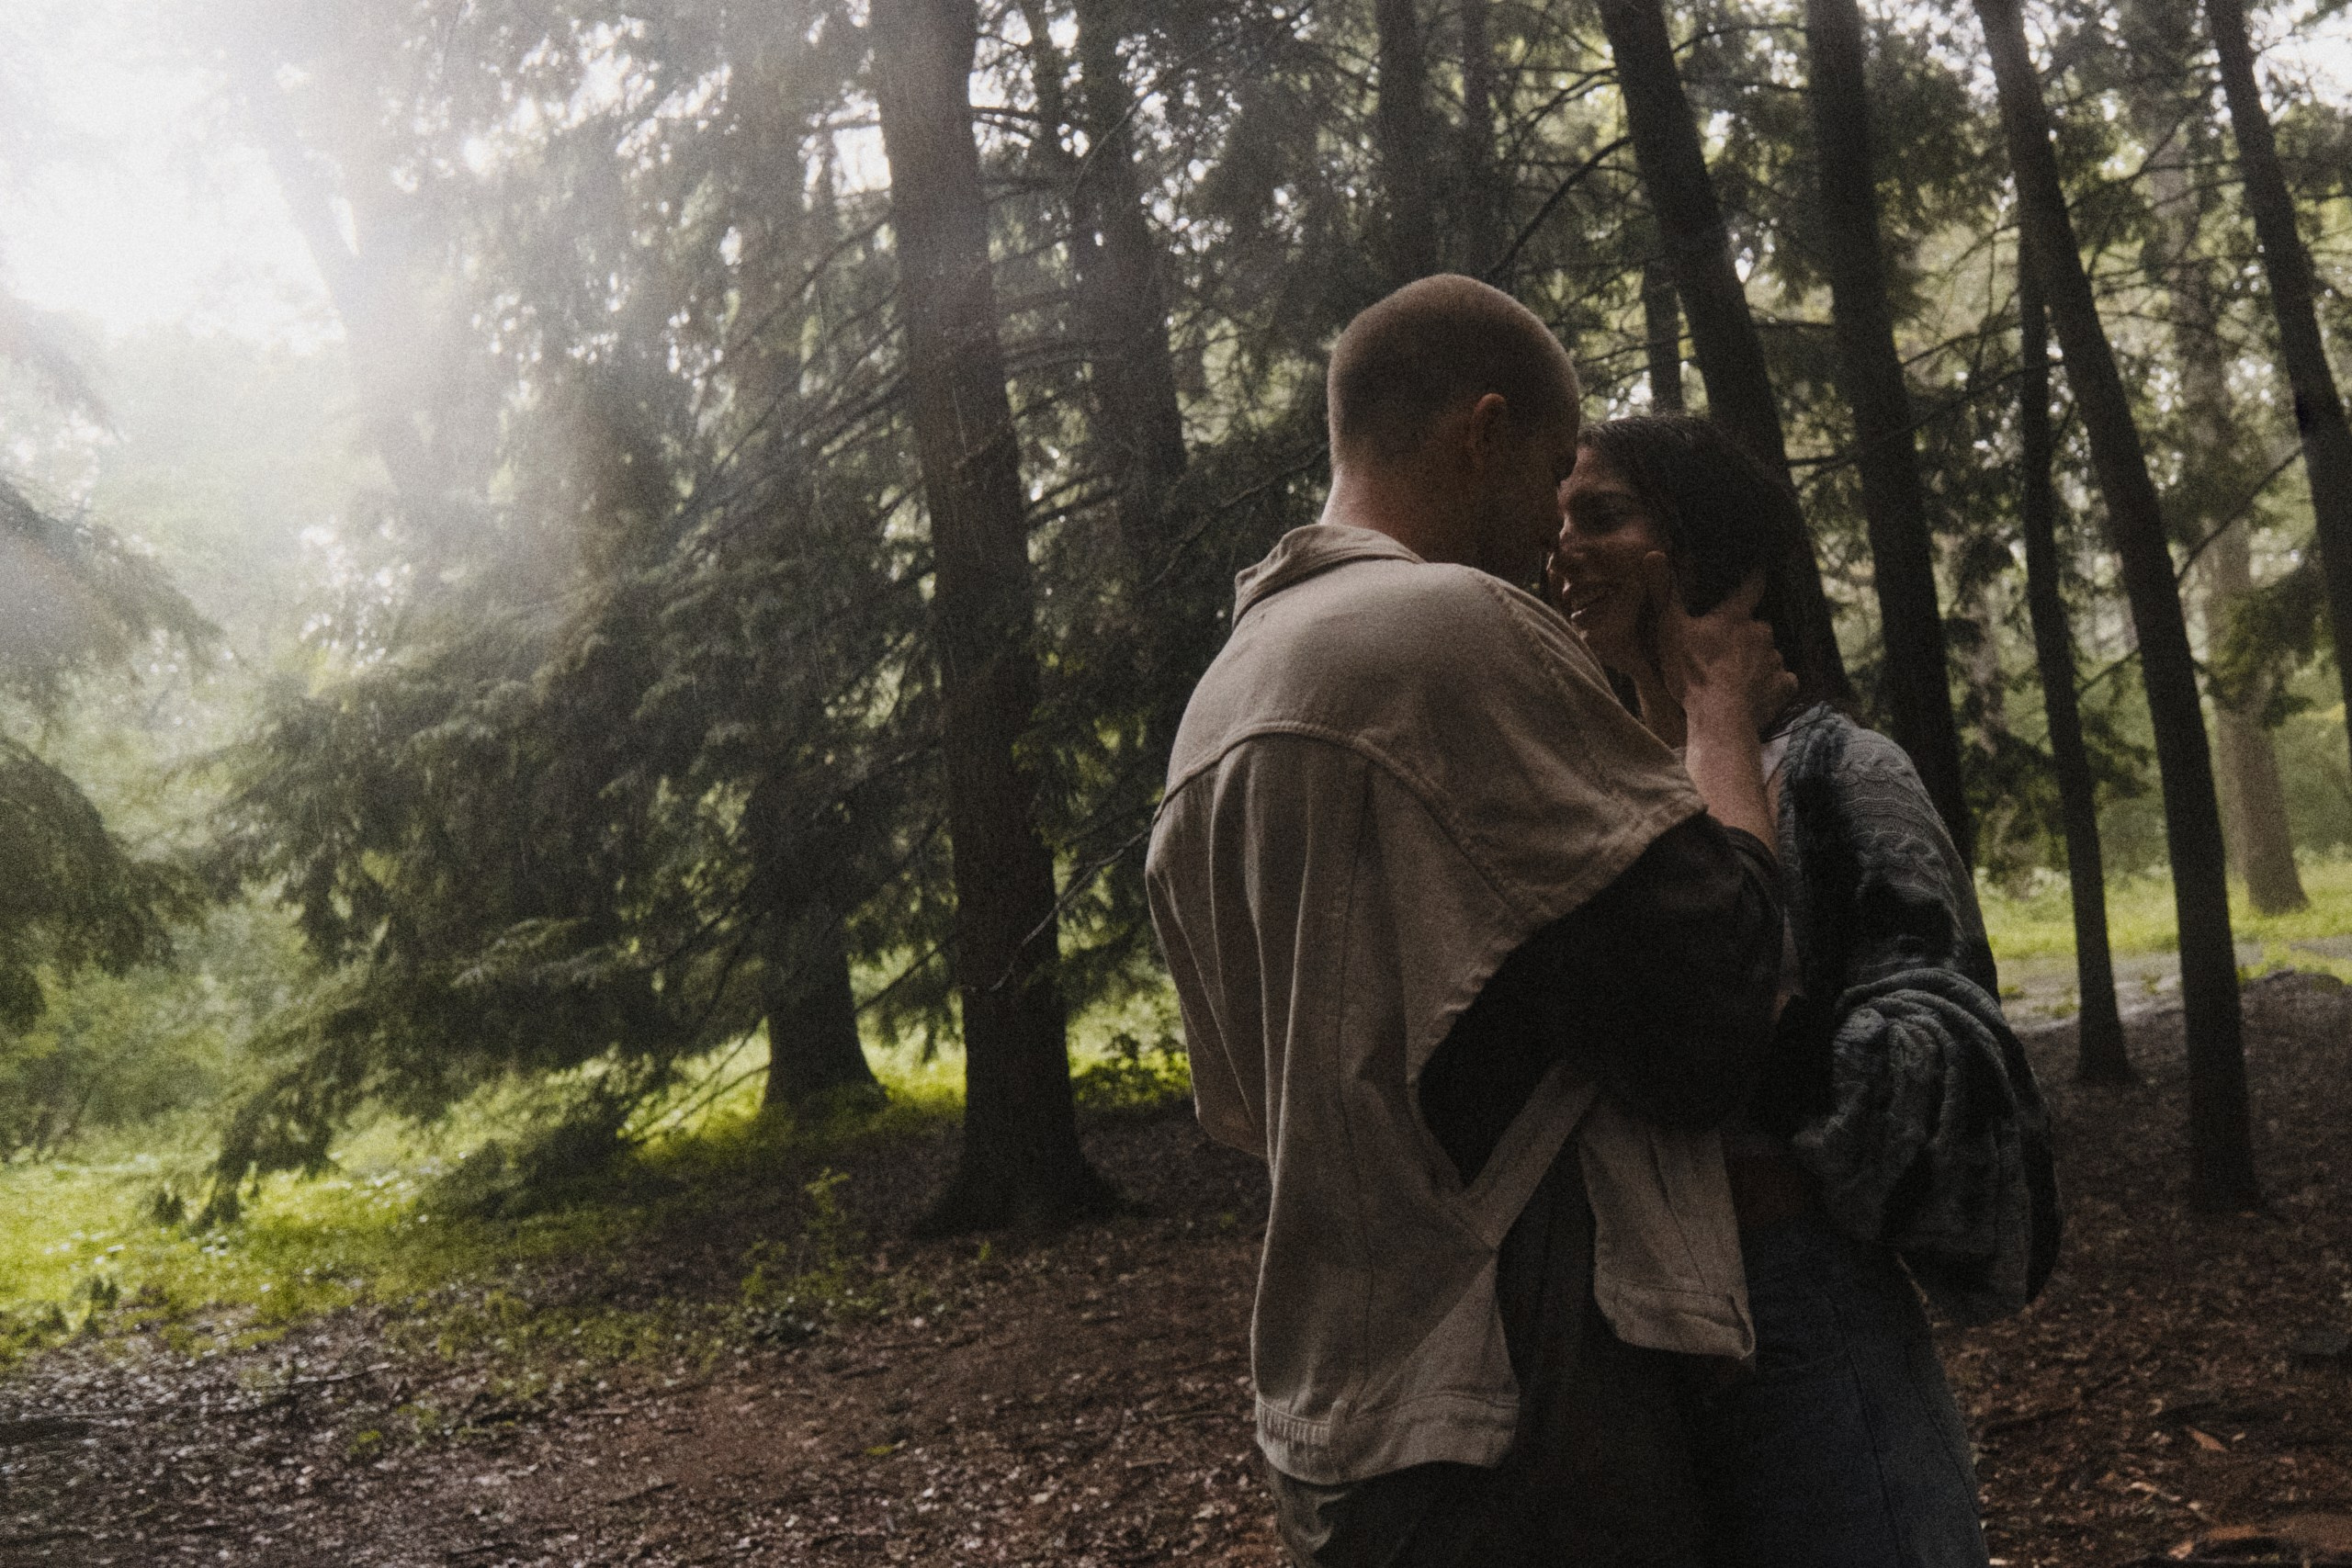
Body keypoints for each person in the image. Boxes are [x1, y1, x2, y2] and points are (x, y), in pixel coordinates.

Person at [1145, 275, 1797, 1566]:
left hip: (1343, 1423)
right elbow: (1725, 992)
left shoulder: (1210, 722)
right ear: (1482, 432)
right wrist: (1720, 721)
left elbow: (1250, 1106)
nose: (1556, 538)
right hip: (1528, 1420)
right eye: (1555, 474)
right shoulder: (1448, 631)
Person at [1554, 412, 2062, 1568]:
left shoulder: (1838, 771)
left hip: (1800, 1315)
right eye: (1556, 519)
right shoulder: (1584, 780)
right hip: (1625, 1346)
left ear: (1705, 547)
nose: (1562, 547)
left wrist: (1763, 1042)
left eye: (1603, 515)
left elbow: (1955, 1067)